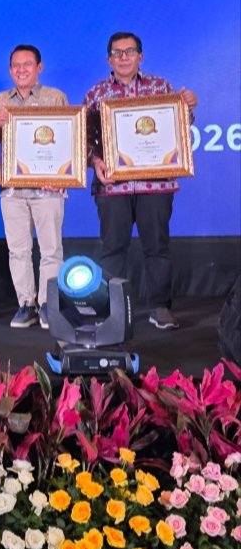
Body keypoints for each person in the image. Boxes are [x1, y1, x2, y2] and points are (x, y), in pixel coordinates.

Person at [83, 31, 198, 330]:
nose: (123, 57)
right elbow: (83, 139)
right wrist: (95, 161)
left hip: (155, 184)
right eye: (117, 53)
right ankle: (109, 310)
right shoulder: (96, 94)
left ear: (140, 56)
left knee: (157, 247)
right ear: (109, 59)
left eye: (130, 51)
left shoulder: (161, 87)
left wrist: (187, 108)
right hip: (113, 185)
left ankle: (160, 307)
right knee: (112, 249)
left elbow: (178, 127)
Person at [0, 45, 69, 330]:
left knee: (51, 249)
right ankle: (26, 304)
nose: (21, 70)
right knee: (18, 250)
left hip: (48, 186)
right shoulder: (0, 100)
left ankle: (49, 305)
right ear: (10, 70)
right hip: (12, 188)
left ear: (39, 67)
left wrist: (60, 177)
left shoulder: (55, 97)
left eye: (27, 64)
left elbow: (68, 139)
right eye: (16, 65)